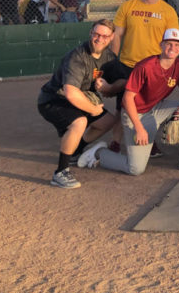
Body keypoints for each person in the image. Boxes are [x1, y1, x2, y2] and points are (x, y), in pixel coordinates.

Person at [80, 29, 179, 174]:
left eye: (177, 45)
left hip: (158, 108)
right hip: (136, 114)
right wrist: (139, 128)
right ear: (161, 45)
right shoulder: (146, 66)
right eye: (169, 44)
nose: (172, 48)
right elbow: (127, 98)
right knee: (135, 169)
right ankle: (99, 152)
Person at [37, 19, 120, 188]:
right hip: (53, 100)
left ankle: (75, 152)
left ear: (111, 38)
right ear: (91, 33)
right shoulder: (77, 57)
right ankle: (60, 172)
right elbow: (71, 93)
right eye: (96, 34)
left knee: (109, 121)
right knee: (79, 122)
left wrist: (109, 87)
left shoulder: (109, 57)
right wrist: (93, 110)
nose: (100, 39)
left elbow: (122, 80)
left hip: (78, 100)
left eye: (105, 36)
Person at [107, 0, 179, 153]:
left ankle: (150, 141)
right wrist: (113, 61)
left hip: (154, 67)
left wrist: (169, 65)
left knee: (151, 107)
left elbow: (173, 42)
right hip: (128, 64)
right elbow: (117, 34)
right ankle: (116, 142)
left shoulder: (167, 10)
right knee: (122, 106)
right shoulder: (128, 6)